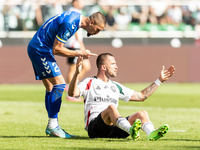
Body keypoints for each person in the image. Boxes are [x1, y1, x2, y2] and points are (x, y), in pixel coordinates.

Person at [27, 11, 106, 138]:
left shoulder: (74, 17)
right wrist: (79, 53)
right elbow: (56, 49)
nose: (97, 33)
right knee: (60, 84)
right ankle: (53, 126)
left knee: (50, 88)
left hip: (38, 46)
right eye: (97, 29)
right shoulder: (71, 23)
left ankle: (52, 126)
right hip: (41, 49)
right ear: (91, 22)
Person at [68, 53, 175, 140]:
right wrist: (76, 73)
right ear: (104, 67)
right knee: (111, 108)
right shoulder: (89, 82)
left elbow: (141, 96)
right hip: (95, 128)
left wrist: (159, 81)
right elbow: (72, 93)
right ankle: (130, 129)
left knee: (142, 114)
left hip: (114, 128)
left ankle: (151, 133)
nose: (116, 67)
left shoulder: (116, 86)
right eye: (113, 64)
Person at [64, 0, 91, 102]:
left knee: (86, 67)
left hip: (77, 44)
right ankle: (70, 94)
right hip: (73, 45)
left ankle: (70, 85)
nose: (83, 3)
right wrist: (81, 44)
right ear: (74, 2)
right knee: (73, 69)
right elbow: (74, 29)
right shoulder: (74, 13)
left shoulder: (77, 12)